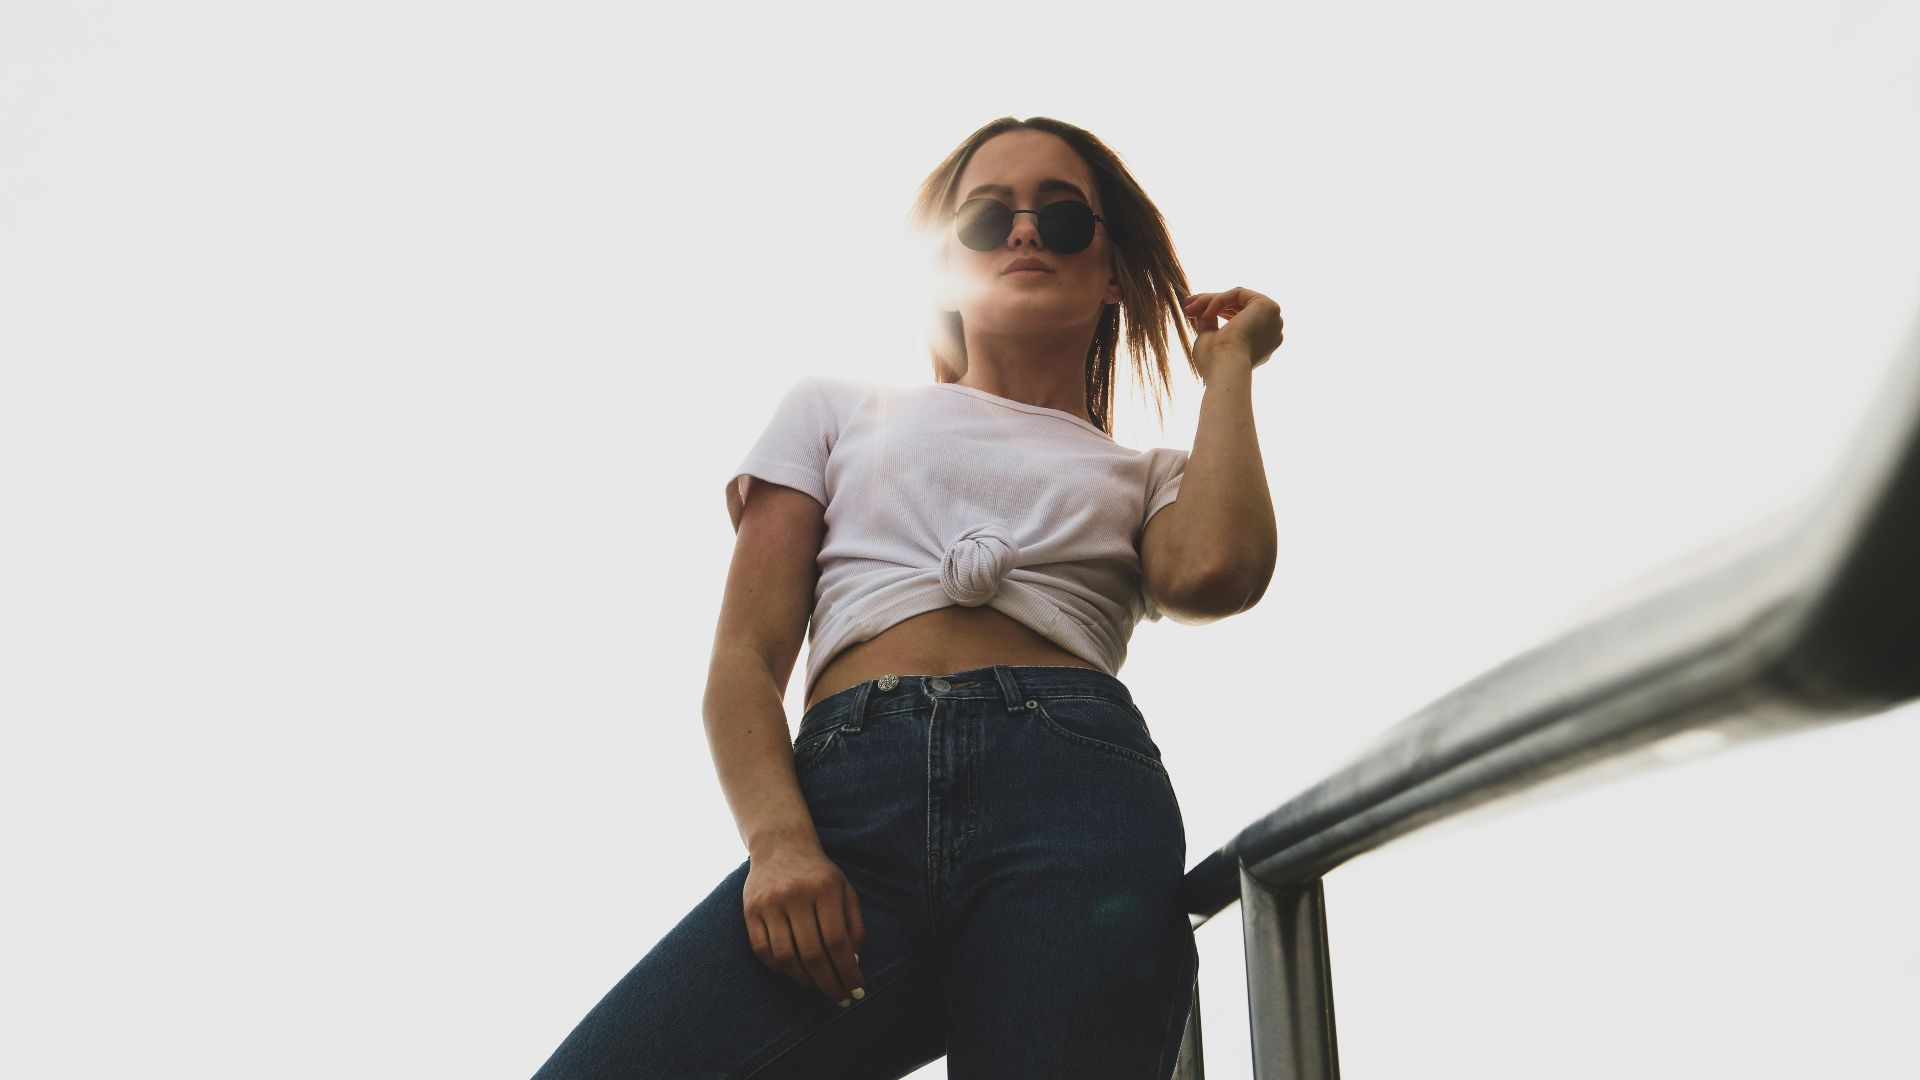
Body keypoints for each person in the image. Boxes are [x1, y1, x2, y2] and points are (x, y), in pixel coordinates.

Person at [529, 115, 1283, 1079]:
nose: (1021, 233)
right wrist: (781, 846)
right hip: (848, 819)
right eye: (984, 220)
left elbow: (1217, 573)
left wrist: (1227, 372)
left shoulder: (1146, 475)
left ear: (1112, 269)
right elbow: (744, 664)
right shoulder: (835, 411)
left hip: (1074, 810)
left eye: (1061, 219)